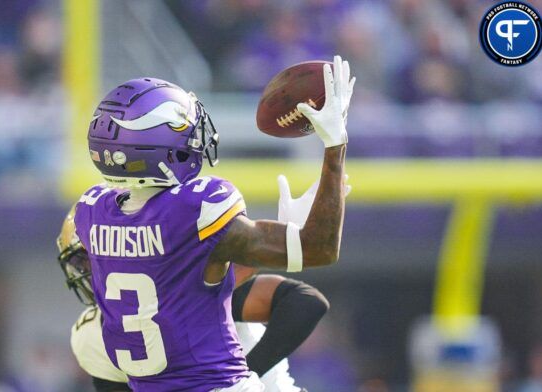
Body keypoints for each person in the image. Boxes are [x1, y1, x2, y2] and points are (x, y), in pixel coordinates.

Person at [70, 56, 354, 391]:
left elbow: (179, 289)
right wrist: (335, 146)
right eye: (184, 128)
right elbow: (318, 250)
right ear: (158, 144)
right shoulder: (194, 207)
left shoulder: (93, 212)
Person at [57, 174, 351, 390]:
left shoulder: (187, 291)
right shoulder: (90, 335)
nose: (87, 270)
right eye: (82, 263)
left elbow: (303, 302)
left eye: (87, 260)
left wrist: (243, 377)